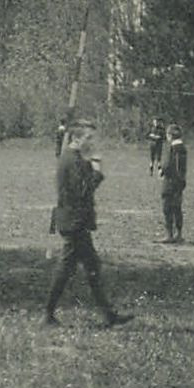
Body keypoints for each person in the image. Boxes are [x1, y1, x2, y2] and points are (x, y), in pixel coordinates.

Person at [45, 117, 132, 328]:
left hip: (75, 221)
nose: (91, 142)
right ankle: (47, 314)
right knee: (67, 270)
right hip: (75, 222)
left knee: (89, 267)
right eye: (88, 138)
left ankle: (108, 315)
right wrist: (97, 172)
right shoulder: (72, 160)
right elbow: (82, 191)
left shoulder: (72, 157)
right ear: (76, 138)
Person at [158, 123, 188, 243]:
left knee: (167, 208)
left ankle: (169, 234)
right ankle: (178, 233)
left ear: (170, 135)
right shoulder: (182, 148)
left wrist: (161, 170)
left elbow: (168, 165)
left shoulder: (172, 148)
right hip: (180, 182)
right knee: (177, 208)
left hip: (170, 182)